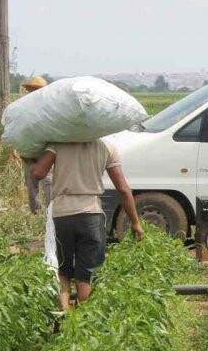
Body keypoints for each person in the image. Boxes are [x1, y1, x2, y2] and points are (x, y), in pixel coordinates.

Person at [30, 139, 144, 311]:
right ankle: (83, 322)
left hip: (63, 215)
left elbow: (38, 173)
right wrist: (135, 222)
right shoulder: (107, 147)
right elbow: (123, 189)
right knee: (87, 273)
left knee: (63, 270)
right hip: (91, 215)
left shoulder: (60, 143)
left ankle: (63, 316)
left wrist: (30, 159)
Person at [19, 76, 52, 213]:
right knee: (32, 185)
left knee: (48, 183)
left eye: (34, 89)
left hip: (45, 152)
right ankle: (37, 214)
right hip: (29, 152)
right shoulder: (23, 107)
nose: (31, 92)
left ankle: (51, 213)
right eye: (30, 89)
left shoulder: (49, 107)